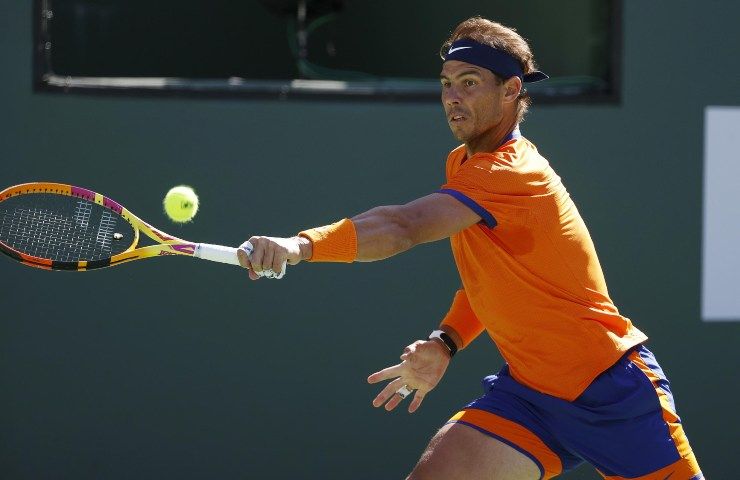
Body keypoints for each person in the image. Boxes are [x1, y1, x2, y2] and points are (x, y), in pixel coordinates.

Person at [237, 16, 703, 480]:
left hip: (611, 390)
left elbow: (403, 226)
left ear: (511, 90)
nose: (452, 97)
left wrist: (300, 246)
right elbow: (492, 282)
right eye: (446, 84)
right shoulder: (463, 161)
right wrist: (446, 341)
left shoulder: (512, 172)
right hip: (530, 397)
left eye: (470, 82)